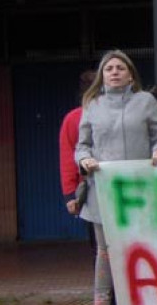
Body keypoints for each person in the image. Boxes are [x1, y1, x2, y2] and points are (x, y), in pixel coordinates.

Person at [75, 50, 157, 304]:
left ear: (130, 75)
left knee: (142, 247)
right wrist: (84, 160)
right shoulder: (92, 104)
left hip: (140, 192)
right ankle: (102, 300)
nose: (114, 72)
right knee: (105, 252)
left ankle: (143, 297)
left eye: (120, 68)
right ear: (102, 76)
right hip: (102, 192)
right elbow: (81, 145)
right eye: (109, 68)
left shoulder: (146, 100)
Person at [59, 69, 96, 216]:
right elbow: (68, 158)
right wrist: (70, 194)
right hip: (92, 188)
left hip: (89, 187)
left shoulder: (72, 118)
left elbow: (67, 158)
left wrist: (69, 195)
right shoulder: (74, 119)